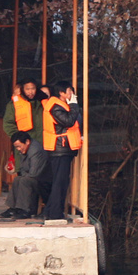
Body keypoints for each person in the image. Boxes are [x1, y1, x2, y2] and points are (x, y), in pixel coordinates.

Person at [40, 81, 82, 221]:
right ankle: (55, 213)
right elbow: (68, 121)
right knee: (60, 181)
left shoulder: (59, 105)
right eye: (69, 91)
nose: (72, 94)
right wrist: (74, 105)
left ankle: (50, 211)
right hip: (60, 148)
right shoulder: (55, 106)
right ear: (61, 93)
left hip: (64, 148)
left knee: (61, 181)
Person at [0, 131, 47, 219]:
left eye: (19, 146)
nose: (18, 149)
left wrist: (24, 176)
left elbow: (34, 173)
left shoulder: (35, 151)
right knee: (18, 179)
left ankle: (25, 209)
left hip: (43, 180)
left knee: (24, 180)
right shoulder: (25, 149)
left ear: (27, 142)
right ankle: (13, 208)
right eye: (16, 147)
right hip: (32, 177)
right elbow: (23, 168)